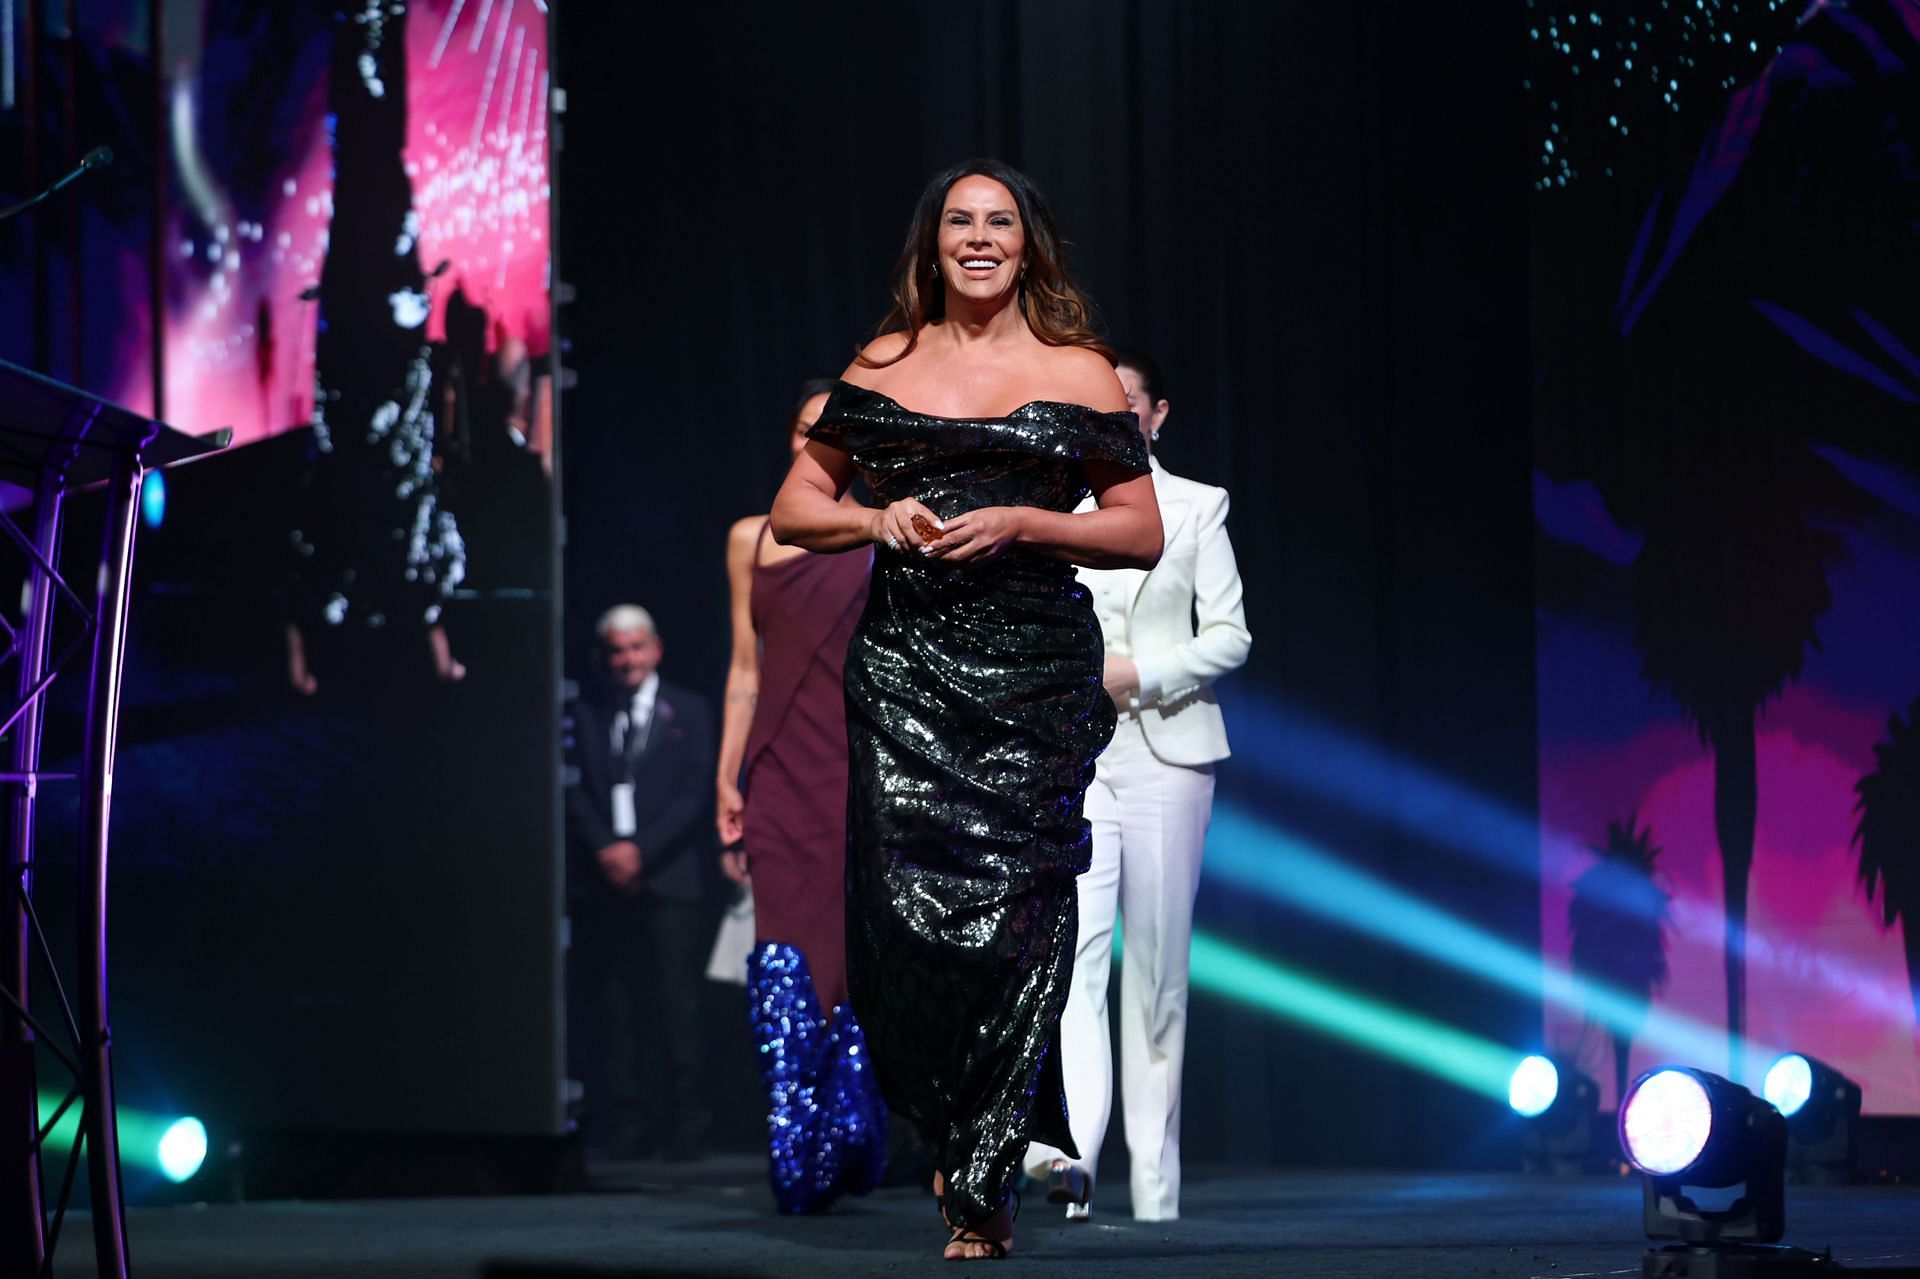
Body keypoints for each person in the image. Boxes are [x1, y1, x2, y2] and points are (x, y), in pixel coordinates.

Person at [769, 159, 1163, 1260]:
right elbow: (797, 506)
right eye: (960, 222)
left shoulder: (1078, 372)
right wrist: (875, 518)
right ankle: (953, 1123)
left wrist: (1026, 524)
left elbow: (1138, 531)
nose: (979, 238)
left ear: (1028, 245)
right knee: (903, 922)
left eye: (999, 223)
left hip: (1032, 674)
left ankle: (986, 1169)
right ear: (932, 243)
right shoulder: (883, 362)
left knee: (1019, 919)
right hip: (905, 668)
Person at [1024, 348, 1251, 1222]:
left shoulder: (1197, 507)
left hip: (1166, 752)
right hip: (1077, 758)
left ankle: (1156, 1193)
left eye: (1130, 403)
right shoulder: (1054, 510)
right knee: (1072, 962)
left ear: (1157, 415)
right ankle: (1072, 1169)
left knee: (1154, 975)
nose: (1115, 414)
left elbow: (1229, 636)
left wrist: (1140, 673)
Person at [714, 380, 887, 1212]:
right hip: (778, 768)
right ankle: (794, 1128)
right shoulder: (749, 537)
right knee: (782, 945)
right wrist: (728, 772)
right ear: (791, 440)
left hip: (853, 767)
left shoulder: (877, 538)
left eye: (834, 429)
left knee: (848, 949)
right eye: (805, 427)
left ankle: (850, 1125)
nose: (817, 438)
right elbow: (744, 671)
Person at [565, 605, 716, 1161]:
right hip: (604, 880)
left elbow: (695, 792)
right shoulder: (584, 712)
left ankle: (690, 1127)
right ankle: (626, 1123)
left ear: (655, 649)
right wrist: (608, 849)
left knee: (677, 1004)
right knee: (614, 1007)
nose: (627, 659)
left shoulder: (692, 710)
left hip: (669, 877)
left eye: (635, 647)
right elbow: (573, 788)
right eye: (616, 650)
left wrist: (640, 851)